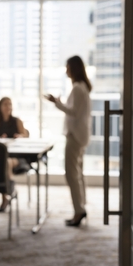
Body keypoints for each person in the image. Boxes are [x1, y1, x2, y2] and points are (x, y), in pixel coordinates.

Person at [44, 55, 92, 227]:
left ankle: (79, 210)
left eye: (67, 67)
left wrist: (56, 102)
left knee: (71, 175)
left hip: (75, 136)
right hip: (80, 135)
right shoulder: (82, 88)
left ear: (73, 68)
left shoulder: (78, 88)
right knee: (78, 173)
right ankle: (81, 207)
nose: (66, 70)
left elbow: (73, 112)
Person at [0, 97, 29, 212]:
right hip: (2, 155)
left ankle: (6, 194)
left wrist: (19, 137)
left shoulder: (17, 121)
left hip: (17, 156)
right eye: (5, 104)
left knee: (5, 163)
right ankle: (8, 191)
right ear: (0, 107)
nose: (8, 107)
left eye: (10, 104)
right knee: (2, 163)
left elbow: (25, 136)